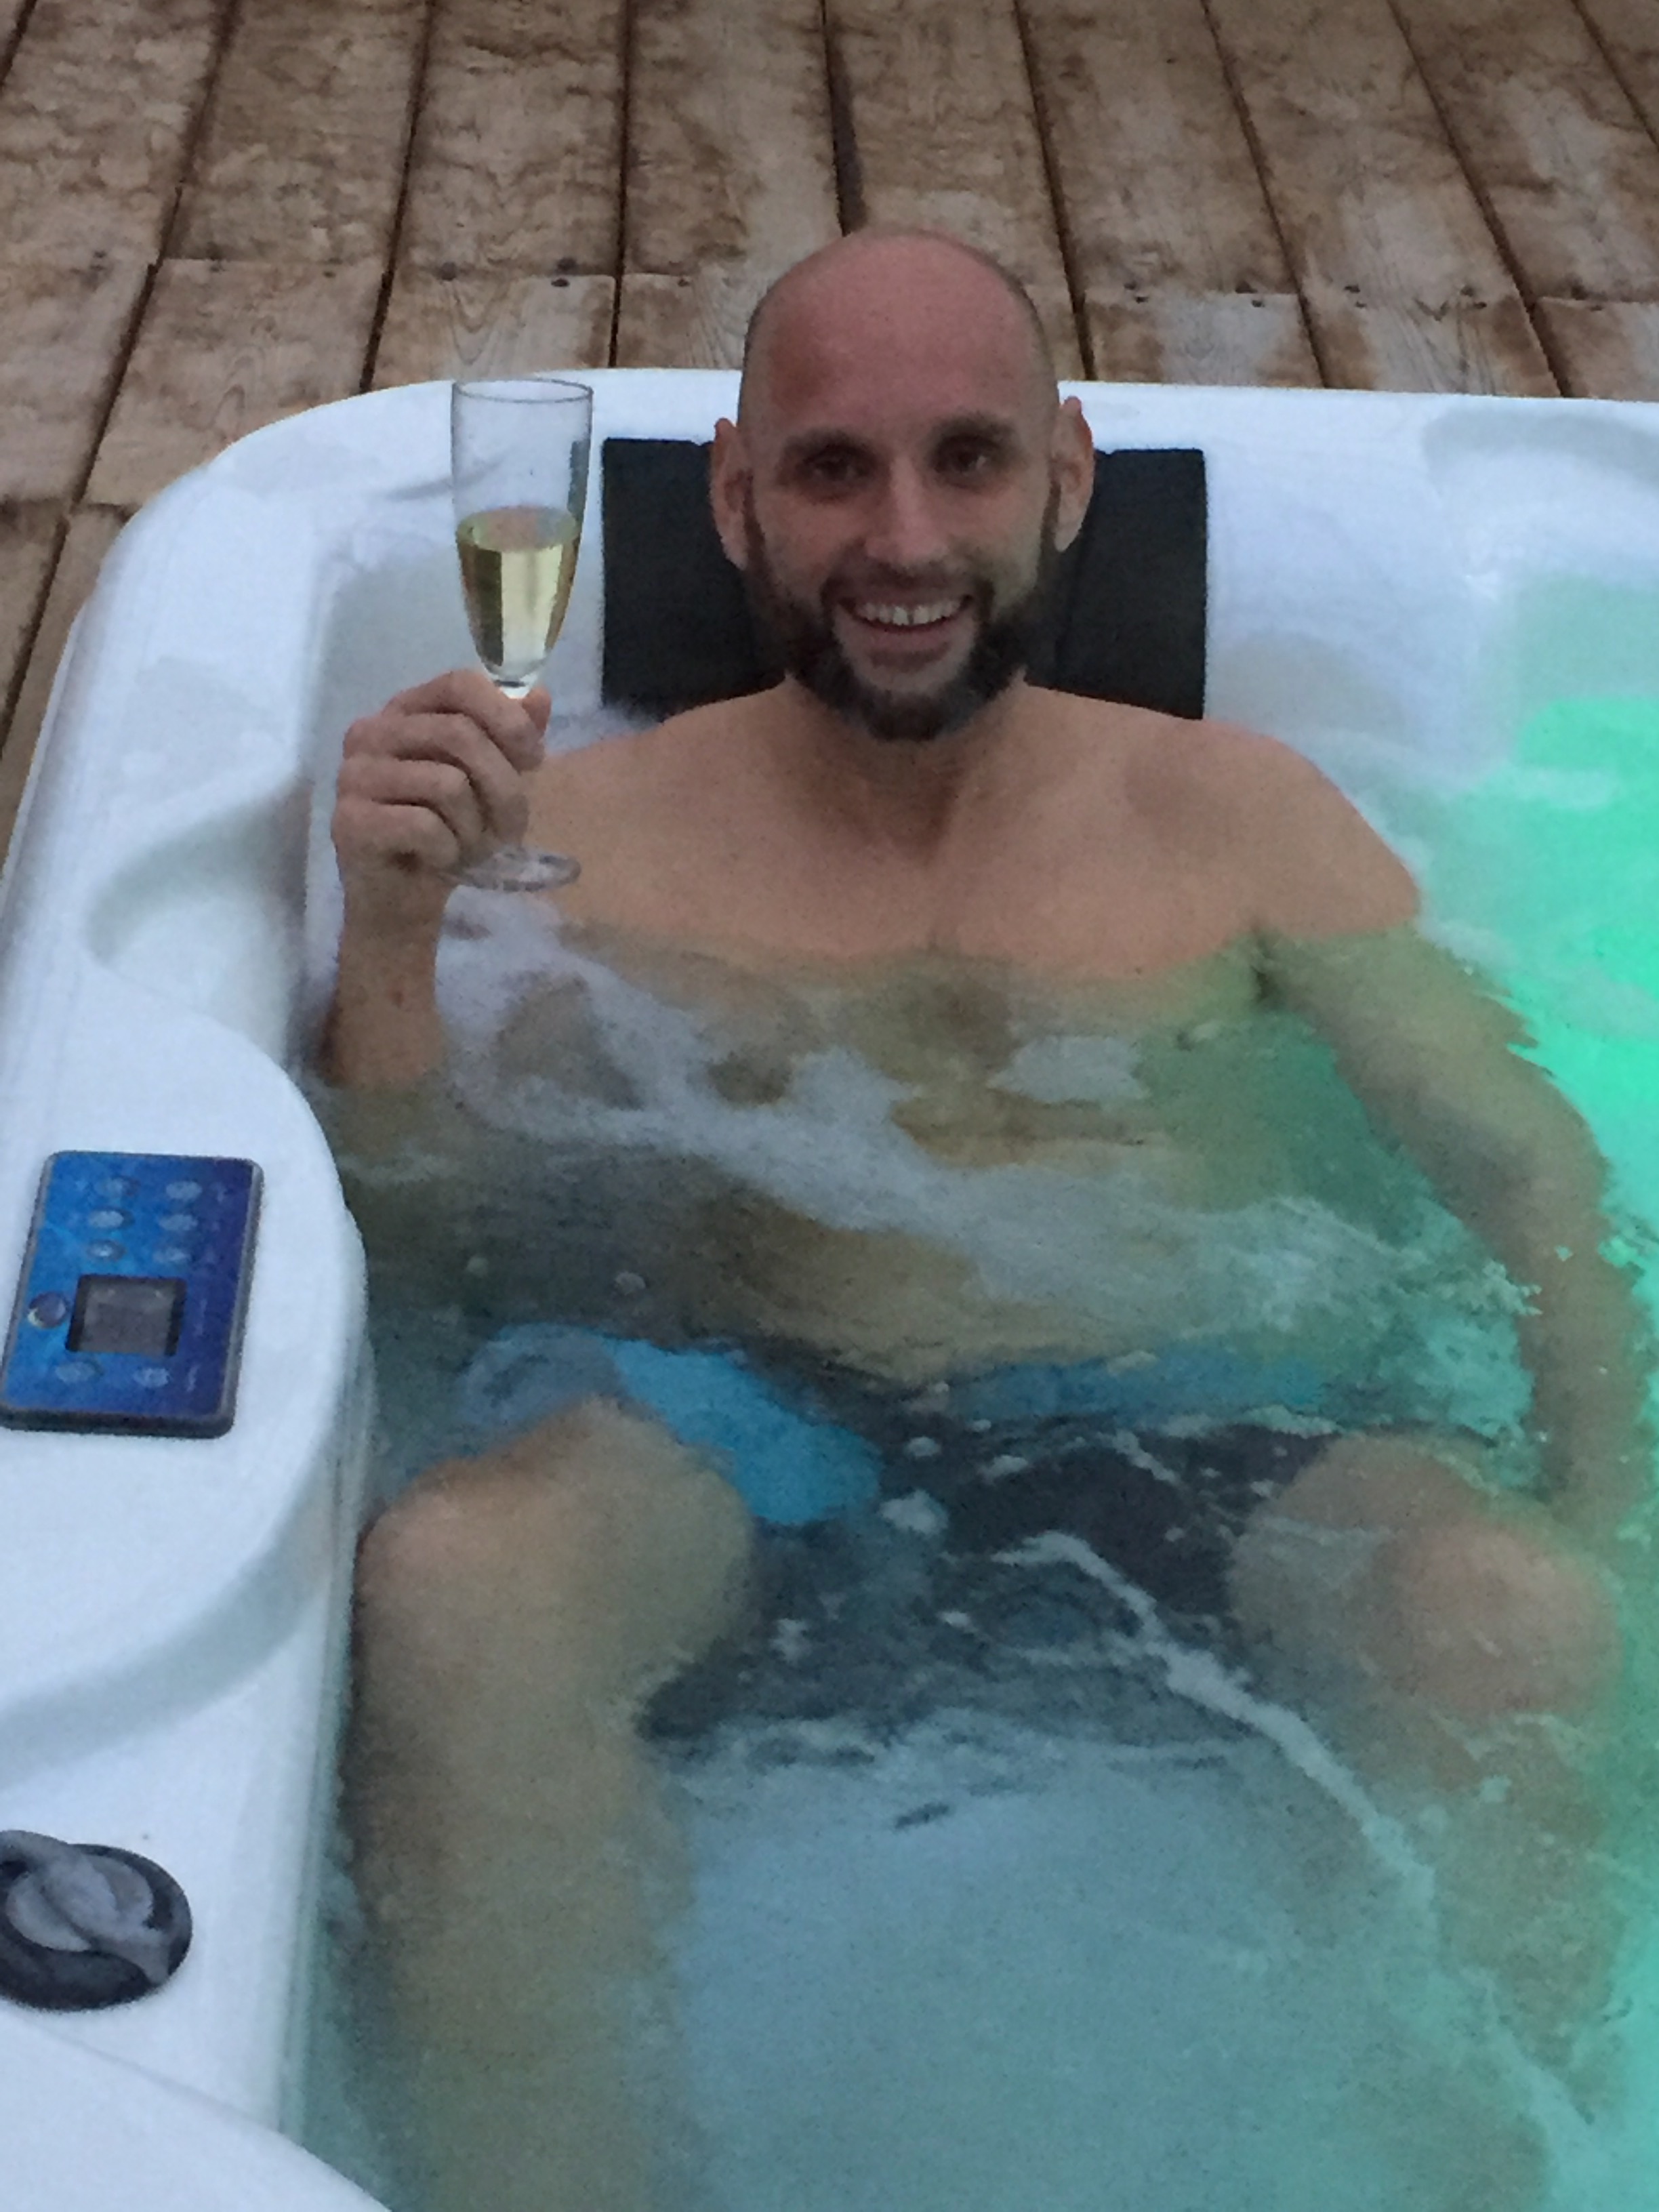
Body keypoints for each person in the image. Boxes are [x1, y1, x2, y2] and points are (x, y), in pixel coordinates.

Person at [324, 230, 1652, 2210]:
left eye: (969, 459)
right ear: (734, 498)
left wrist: (1615, 1526)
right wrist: (393, 931)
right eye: (832, 469)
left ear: (1067, 479)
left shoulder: (1242, 816)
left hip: (1201, 1422)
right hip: (750, 1428)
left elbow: (1528, 1173)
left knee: (1520, 1617)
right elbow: (423, 1256)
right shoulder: (590, 844)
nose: (906, 538)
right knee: (456, 1583)